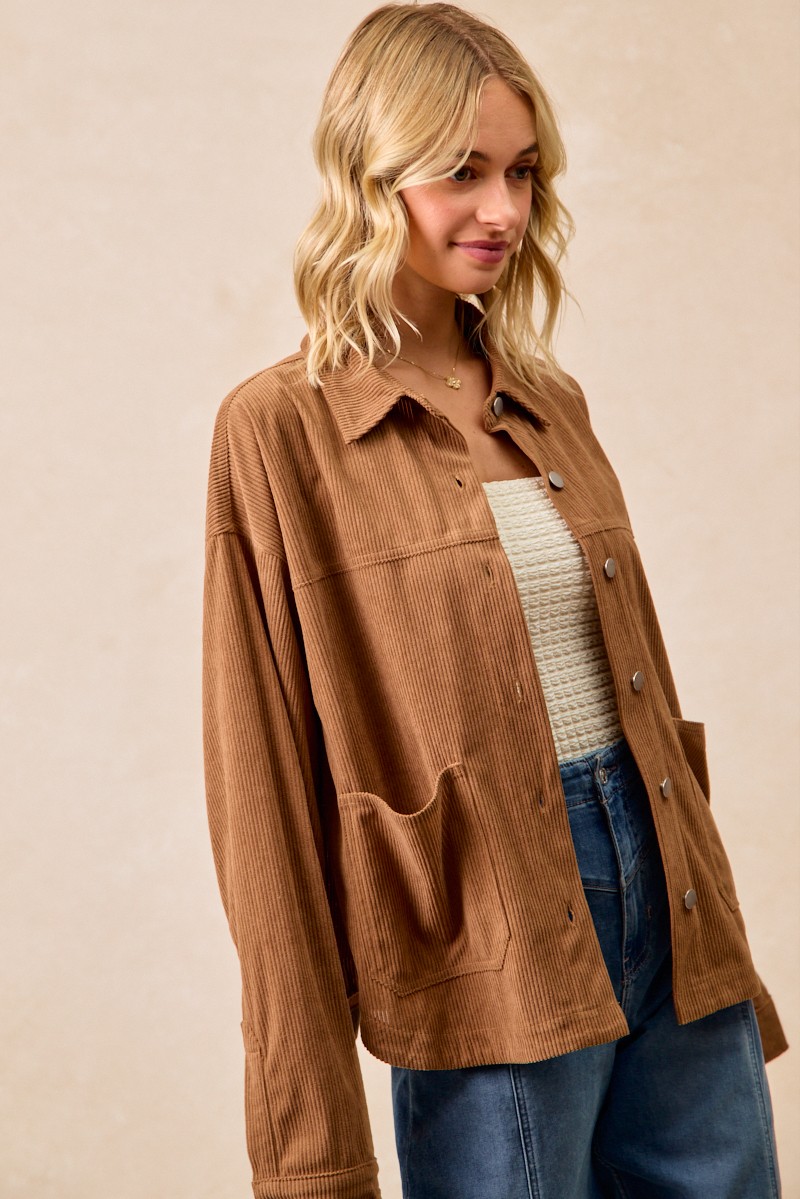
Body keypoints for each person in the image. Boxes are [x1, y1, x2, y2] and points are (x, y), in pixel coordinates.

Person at [201, 4, 788, 1197]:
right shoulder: (279, 431)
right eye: (461, 172)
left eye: (521, 173)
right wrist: (311, 1153)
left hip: (667, 897)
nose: (503, 210)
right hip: (485, 931)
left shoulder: (544, 399)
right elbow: (261, 795)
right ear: (371, 175)